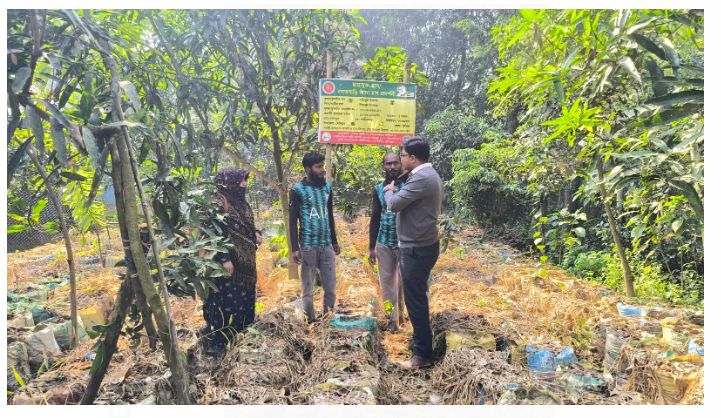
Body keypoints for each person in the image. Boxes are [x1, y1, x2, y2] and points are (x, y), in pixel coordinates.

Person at [383, 137, 443, 369]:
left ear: (413, 158)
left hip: (417, 248)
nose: (401, 160)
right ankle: (420, 342)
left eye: (403, 156)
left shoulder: (422, 178)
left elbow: (395, 204)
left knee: (415, 300)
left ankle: (422, 355)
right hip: (419, 245)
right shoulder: (426, 176)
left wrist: (389, 191)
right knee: (417, 297)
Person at [199, 168, 262, 355]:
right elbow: (212, 231)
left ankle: (240, 334)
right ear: (231, 182)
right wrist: (224, 258)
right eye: (242, 180)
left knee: (243, 301)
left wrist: (256, 232)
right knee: (224, 303)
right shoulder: (218, 201)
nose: (244, 184)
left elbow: (246, 224)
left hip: (246, 266)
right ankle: (218, 341)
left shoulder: (241, 202)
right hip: (227, 266)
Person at [289, 152, 341, 323]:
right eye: (318, 167)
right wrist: (295, 248)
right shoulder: (298, 190)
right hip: (308, 246)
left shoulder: (327, 188)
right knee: (307, 288)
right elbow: (292, 221)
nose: (322, 170)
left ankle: (328, 319)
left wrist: (334, 241)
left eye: (322, 166)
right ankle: (310, 320)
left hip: (326, 245)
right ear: (307, 169)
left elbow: (330, 215)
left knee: (331, 287)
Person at [369, 152, 408, 332]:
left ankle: (403, 316)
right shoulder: (378, 188)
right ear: (383, 166)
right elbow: (375, 218)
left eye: (395, 163)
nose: (392, 167)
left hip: (405, 242)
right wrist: (371, 246)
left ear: (401, 164)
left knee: (404, 283)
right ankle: (391, 318)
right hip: (384, 242)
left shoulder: (409, 185)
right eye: (388, 164)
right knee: (387, 285)